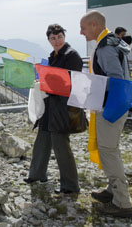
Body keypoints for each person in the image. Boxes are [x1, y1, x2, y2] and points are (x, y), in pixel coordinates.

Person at [80, 10, 132, 218]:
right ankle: (113, 190)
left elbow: (116, 79)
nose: (81, 32)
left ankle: (122, 203)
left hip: (111, 107)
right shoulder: (112, 42)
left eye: (83, 28)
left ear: (94, 25)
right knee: (110, 150)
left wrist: (90, 87)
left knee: (109, 151)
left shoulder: (105, 48)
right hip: (115, 104)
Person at [24, 24, 82, 194]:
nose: (57, 41)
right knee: (42, 138)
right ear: (49, 40)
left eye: (59, 37)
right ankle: (36, 174)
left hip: (64, 105)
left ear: (64, 36)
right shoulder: (53, 55)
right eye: (53, 38)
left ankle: (70, 185)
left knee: (60, 143)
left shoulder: (72, 56)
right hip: (50, 102)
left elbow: (71, 82)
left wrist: (49, 83)